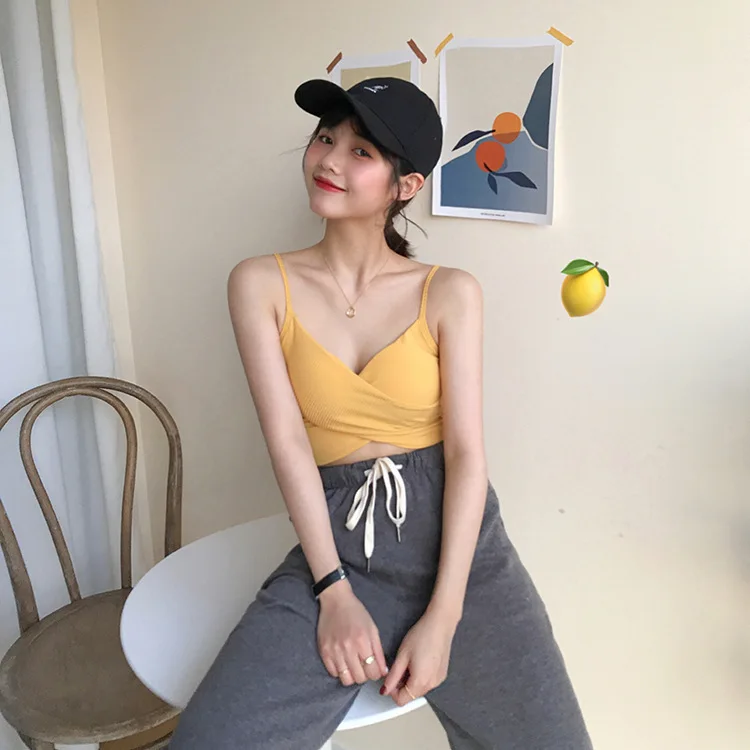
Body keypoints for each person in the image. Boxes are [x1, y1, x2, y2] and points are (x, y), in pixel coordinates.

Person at [169, 76, 592, 750]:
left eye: (361, 152)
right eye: (325, 138)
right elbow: (288, 445)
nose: (329, 160)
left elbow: (466, 457)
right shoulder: (259, 283)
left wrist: (444, 618)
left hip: (460, 551)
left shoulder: (450, 292)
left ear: (406, 185)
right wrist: (333, 591)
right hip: (338, 546)